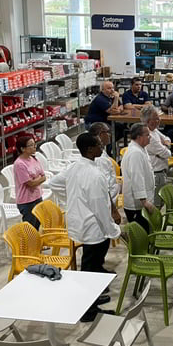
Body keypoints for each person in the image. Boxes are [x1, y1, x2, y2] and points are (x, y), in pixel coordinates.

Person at [45, 133, 121, 322]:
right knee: (90, 270)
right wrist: (113, 229)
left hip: (81, 223)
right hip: (93, 227)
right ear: (89, 149)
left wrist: (73, 199)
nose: (101, 147)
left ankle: (93, 297)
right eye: (98, 145)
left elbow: (54, 183)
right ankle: (88, 311)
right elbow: (100, 208)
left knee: (94, 265)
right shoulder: (94, 175)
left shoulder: (75, 167)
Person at [121, 123, 156, 233]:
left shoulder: (140, 149)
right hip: (136, 205)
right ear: (139, 137)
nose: (150, 137)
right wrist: (144, 201)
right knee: (141, 235)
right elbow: (137, 178)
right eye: (147, 135)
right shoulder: (135, 153)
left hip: (142, 201)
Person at [13, 135, 46, 229]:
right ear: (23, 149)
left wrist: (36, 180)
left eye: (34, 144)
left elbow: (44, 176)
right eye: (31, 145)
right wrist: (38, 179)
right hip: (27, 201)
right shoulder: (19, 164)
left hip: (37, 196)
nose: (34, 146)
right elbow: (30, 184)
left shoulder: (34, 159)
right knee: (30, 228)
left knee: (38, 223)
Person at [88, 123, 122, 214]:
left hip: (110, 202)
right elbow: (105, 186)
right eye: (107, 132)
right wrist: (113, 209)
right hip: (108, 205)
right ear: (100, 135)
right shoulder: (100, 159)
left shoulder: (102, 153)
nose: (109, 134)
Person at [141, 104, 171, 206]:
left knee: (161, 202)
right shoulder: (149, 135)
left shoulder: (154, 130)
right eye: (156, 119)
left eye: (158, 118)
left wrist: (165, 144)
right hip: (156, 174)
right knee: (156, 204)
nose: (159, 120)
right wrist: (165, 145)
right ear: (148, 121)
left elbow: (167, 138)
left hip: (161, 172)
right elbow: (167, 154)